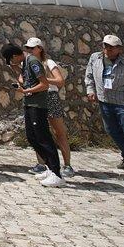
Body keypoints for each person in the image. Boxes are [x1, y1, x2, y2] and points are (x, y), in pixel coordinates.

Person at [84, 34, 124, 176]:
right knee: (112, 130)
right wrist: (90, 90)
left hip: (123, 104)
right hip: (105, 101)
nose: (107, 49)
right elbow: (89, 75)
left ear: (119, 49)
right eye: (105, 46)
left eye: (111, 47)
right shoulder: (95, 58)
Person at [3, 42, 64, 187]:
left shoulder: (32, 61)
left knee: (44, 138)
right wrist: (17, 72)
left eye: (11, 60)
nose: (12, 62)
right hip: (29, 103)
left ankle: (57, 173)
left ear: (15, 55)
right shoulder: (24, 63)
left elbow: (44, 84)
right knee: (32, 137)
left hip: (38, 105)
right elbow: (26, 82)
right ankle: (50, 167)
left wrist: (25, 91)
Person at [25, 37, 74, 177]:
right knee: (38, 132)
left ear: (40, 49)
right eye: (27, 48)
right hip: (36, 98)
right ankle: (42, 163)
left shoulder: (48, 62)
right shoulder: (28, 63)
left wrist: (43, 79)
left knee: (59, 131)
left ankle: (67, 164)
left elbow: (60, 81)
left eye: (32, 48)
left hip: (50, 97)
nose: (29, 51)